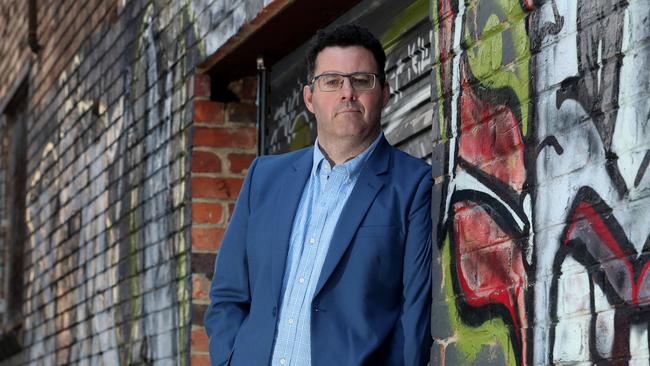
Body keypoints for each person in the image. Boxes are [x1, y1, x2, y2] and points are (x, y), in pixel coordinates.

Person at [204, 24, 432, 366]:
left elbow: (414, 315)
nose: (347, 93)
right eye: (332, 81)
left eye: (362, 80)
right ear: (310, 98)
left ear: (384, 93)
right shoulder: (263, 178)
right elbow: (228, 294)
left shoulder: (414, 185)